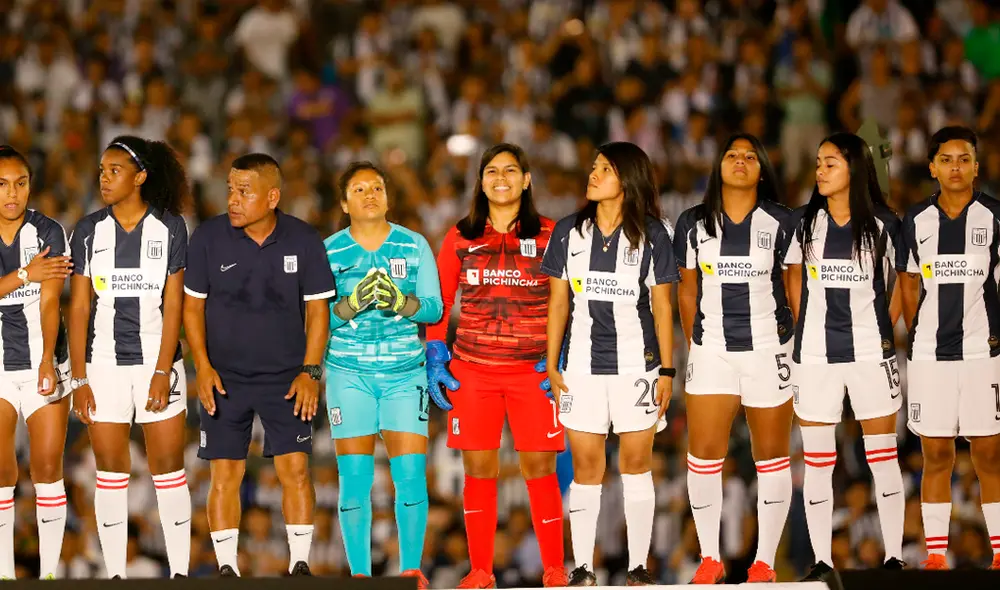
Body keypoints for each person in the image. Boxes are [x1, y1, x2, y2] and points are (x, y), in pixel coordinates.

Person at [183, 153, 335, 577]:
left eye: (243, 191)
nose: (232, 199)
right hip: (224, 377)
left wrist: (310, 372)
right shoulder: (208, 238)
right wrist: (204, 368)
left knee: (296, 469)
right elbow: (191, 309)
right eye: (230, 189)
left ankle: (300, 564)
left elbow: (319, 313)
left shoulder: (304, 240)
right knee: (224, 474)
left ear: (272, 197)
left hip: (287, 378)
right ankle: (227, 567)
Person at [425, 143, 568, 589]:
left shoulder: (551, 234)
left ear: (527, 180)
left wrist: (559, 356)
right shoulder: (460, 235)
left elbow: (569, 300)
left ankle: (554, 571)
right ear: (481, 180)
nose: (500, 177)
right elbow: (441, 302)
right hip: (474, 370)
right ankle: (481, 571)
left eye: (510, 170)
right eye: (491, 170)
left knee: (540, 470)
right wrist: (435, 352)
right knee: (479, 471)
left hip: (533, 373)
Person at [541, 141, 678, 586]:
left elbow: (662, 306)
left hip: (637, 368)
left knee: (636, 465)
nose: (593, 174)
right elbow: (558, 302)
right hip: (580, 366)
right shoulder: (568, 231)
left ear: (629, 179)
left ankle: (638, 567)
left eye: (605, 168)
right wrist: (552, 360)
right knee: (586, 470)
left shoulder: (654, 233)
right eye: (594, 166)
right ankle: (583, 568)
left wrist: (668, 371)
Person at [783, 132, 906, 581]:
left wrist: (882, 327)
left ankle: (894, 556)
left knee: (882, 456)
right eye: (817, 162)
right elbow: (793, 279)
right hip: (814, 356)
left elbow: (903, 285)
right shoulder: (802, 222)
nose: (819, 170)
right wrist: (804, 328)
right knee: (817, 461)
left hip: (871, 353)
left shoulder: (886, 225)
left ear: (854, 168)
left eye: (830, 163)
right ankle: (821, 561)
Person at [68, 136, 192, 579]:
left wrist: (163, 370)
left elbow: (175, 305)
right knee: (110, 470)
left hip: (158, 364)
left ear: (140, 177)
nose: (104, 177)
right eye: (101, 169)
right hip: (103, 365)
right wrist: (79, 379)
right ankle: (115, 573)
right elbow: (79, 306)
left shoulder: (171, 227)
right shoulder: (87, 230)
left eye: (114, 170)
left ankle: (179, 572)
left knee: (167, 469)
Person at [673, 133, 795, 584]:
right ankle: (710, 558)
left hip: (769, 349)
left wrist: (791, 343)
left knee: (772, 459)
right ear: (718, 166)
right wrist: (695, 343)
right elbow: (686, 288)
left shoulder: (783, 221)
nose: (739, 161)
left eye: (749, 156)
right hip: (712, 351)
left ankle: (764, 562)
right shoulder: (693, 222)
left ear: (762, 169)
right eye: (730, 154)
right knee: (703, 456)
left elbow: (795, 282)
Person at [324, 161, 443, 588]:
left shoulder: (414, 246)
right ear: (344, 202)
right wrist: (349, 306)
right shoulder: (329, 251)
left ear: (388, 197)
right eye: (359, 189)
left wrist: (402, 302)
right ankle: (360, 575)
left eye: (377, 187)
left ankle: (411, 570)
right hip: (347, 373)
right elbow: (313, 321)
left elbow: (435, 308)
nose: (370, 194)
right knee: (354, 480)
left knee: (410, 475)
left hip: (403, 374)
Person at [896, 126, 1000, 571]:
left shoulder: (995, 217)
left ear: (976, 167)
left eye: (964, 159)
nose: (955, 166)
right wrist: (916, 334)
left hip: (982, 353)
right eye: (947, 159)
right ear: (932, 167)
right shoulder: (916, 221)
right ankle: (936, 555)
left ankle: (998, 552)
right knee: (936, 453)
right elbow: (906, 285)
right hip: (929, 356)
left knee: (990, 453)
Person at [0, 146, 74, 580]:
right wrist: (26, 274)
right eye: (3, 185)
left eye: (20, 183)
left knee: (47, 467)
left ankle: (48, 574)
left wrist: (47, 358)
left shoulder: (49, 230)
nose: (12, 193)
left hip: (42, 362)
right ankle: (6, 574)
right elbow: (34, 280)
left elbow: (51, 302)